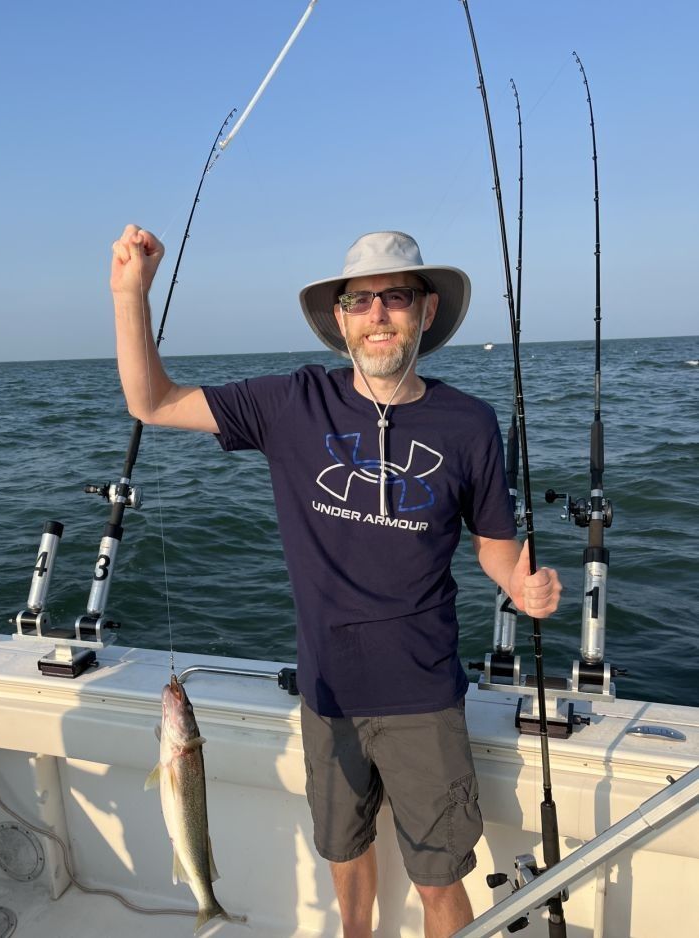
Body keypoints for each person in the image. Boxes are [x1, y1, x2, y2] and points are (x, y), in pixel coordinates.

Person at [111, 224, 562, 938]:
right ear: (341, 318)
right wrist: (129, 293)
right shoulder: (292, 403)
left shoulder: (469, 424)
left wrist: (523, 582)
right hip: (327, 693)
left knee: (440, 879)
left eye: (396, 297)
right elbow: (153, 401)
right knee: (345, 855)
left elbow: (496, 550)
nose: (378, 314)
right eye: (361, 300)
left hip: (424, 695)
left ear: (427, 312)